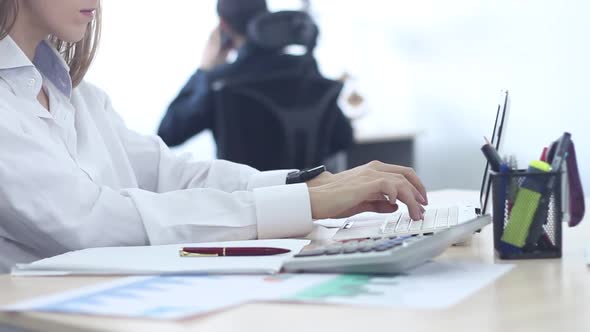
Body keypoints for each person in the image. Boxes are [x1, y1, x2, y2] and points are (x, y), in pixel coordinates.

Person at [0, 0, 427, 273]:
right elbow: (90, 223)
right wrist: (303, 201)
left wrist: (311, 183)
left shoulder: (78, 94)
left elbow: (171, 172)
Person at [157, 0, 354, 162]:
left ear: (223, 27)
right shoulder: (305, 71)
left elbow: (167, 134)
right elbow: (342, 137)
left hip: (250, 203)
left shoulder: (219, 82)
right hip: (309, 198)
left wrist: (203, 71)